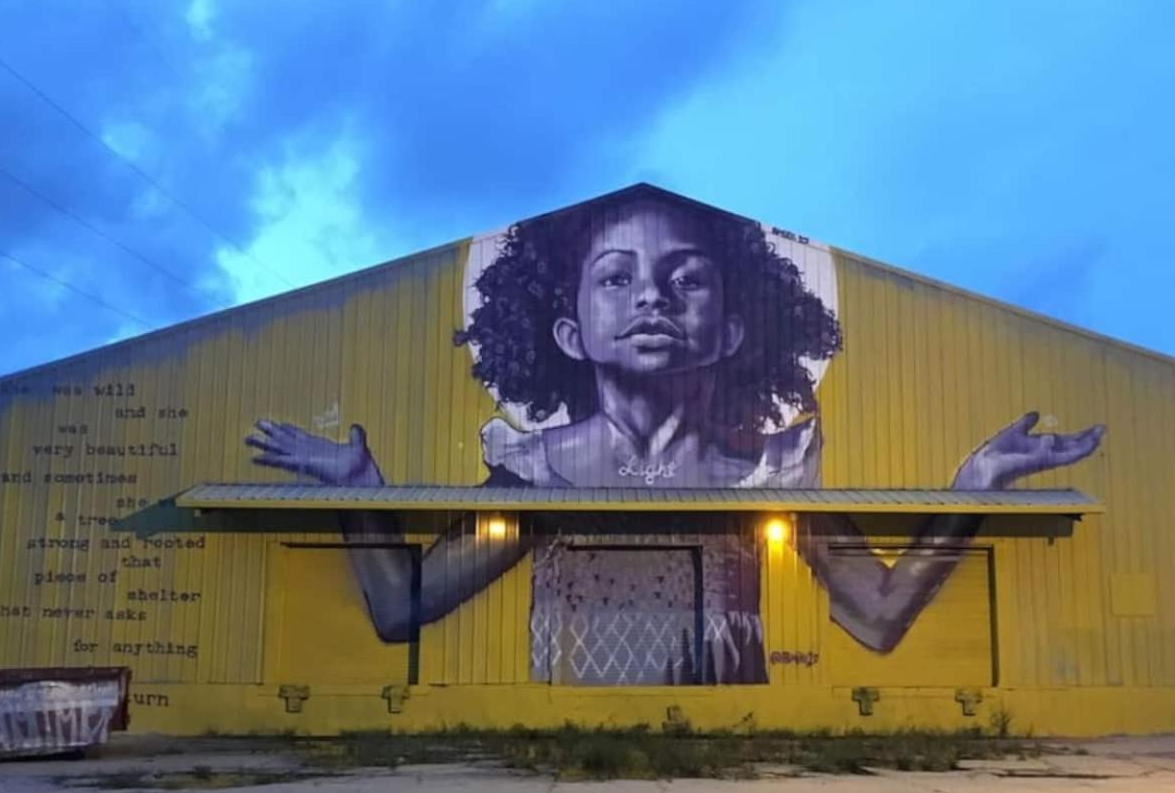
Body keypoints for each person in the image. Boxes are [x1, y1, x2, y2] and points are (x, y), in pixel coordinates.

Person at [246, 187, 1103, 684]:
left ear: (732, 329)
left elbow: (876, 619)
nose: (652, 297)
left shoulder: (767, 477)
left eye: (685, 279)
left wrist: (974, 486)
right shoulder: (534, 479)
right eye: (616, 279)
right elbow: (401, 611)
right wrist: (356, 484)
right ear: (570, 332)